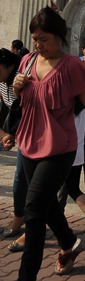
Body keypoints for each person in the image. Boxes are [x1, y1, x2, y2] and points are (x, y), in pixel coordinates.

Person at [9, 6, 85, 279]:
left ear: (59, 37)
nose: (38, 44)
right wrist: (16, 88)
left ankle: (27, 276)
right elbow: (22, 103)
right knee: (45, 205)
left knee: (33, 212)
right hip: (28, 144)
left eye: (44, 39)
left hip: (59, 148)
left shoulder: (72, 66)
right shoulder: (26, 61)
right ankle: (69, 243)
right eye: (35, 38)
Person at [0, 48, 27, 240]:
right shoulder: (3, 82)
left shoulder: (21, 79)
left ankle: (20, 217)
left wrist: (11, 134)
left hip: (35, 132)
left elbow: (25, 109)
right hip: (20, 131)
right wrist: (6, 134)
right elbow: (7, 108)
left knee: (21, 178)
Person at [58, 98, 85, 221]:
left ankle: (53, 219)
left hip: (61, 152)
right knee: (74, 189)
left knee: (52, 188)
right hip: (77, 151)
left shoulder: (61, 105)